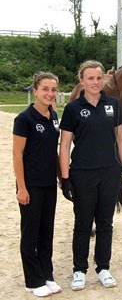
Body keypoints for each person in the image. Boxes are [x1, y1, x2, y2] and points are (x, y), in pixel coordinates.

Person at [59, 60, 122, 290]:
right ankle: (79, 269)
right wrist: (65, 178)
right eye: (90, 78)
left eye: (99, 77)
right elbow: (64, 145)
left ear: (104, 79)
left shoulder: (113, 104)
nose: (95, 82)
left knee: (106, 222)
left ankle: (103, 267)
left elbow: (120, 137)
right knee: (83, 223)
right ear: (82, 80)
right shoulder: (73, 108)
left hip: (110, 173)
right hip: (82, 173)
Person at [13, 72, 62, 297]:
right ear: (35, 91)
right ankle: (32, 281)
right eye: (45, 89)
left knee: (46, 232)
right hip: (30, 185)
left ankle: (46, 275)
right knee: (30, 233)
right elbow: (17, 154)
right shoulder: (24, 119)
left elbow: (53, 151)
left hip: (49, 184)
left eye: (53, 90)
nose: (50, 94)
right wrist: (22, 188)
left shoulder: (53, 115)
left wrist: (61, 177)